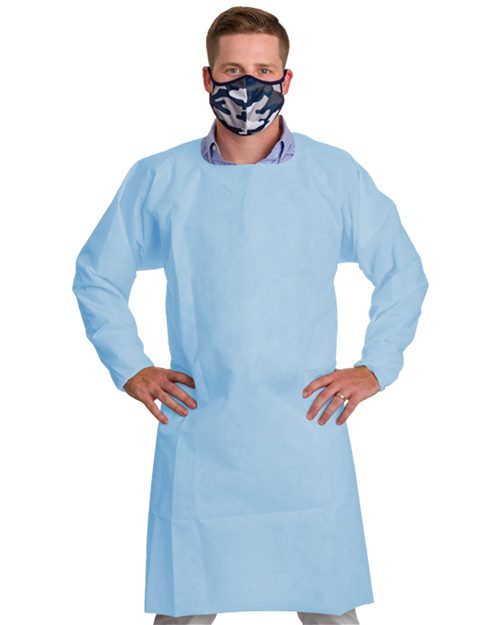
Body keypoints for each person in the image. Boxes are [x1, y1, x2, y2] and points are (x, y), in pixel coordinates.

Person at [72, 6, 429, 625]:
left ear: (286, 80)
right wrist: (131, 367)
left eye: (264, 71)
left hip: (305, 426)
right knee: (187, 607)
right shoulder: (162, 177)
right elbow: (98, 275)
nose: (247, 85)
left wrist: (376, 366)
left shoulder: (333, 175)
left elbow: (402, 271)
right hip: (203, 427)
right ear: (206, 78)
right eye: (231, 70)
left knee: (326, 603)